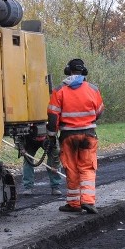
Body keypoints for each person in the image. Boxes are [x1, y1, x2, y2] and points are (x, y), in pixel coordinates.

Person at [47, 58, 104, 214]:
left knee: (71, 169)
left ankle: (73, 203)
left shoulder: (59, 90)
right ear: (84, 71)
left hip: (68, 136)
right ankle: (88, 201)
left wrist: (51, 135)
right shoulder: (93, 89)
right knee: (87, 167)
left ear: (67, 71)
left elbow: (53, 115)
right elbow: (99, 111)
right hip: (88, 134)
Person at [20, 131, 61, 196]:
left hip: (47, 140)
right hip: (29, 140)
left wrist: (55, 165)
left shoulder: (52, 138)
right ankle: (28, 187)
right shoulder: (24, 131)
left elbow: (56, 152)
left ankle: (55, 187)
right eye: (37, 137)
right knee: (27, 160)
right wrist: (21, 148)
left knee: (52, 163)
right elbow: (18, 139)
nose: (38, 139)